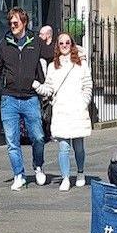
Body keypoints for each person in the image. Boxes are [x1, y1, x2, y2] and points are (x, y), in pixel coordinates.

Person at [0, 7, 48, 190]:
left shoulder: (35, 41)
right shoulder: (4, 44)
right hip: (9, 98)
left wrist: (76, 54)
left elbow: (53, 55)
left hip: (30, 97)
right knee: (12, 141)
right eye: (10, 23)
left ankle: (38, 166)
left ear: (24, 23)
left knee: (38, 137)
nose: (12, 26)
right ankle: (18, 175)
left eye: (16, 22)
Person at [38, 31, 93, 190]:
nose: (64, 46)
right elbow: (49, 88)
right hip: (61, 110)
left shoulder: (81, 64)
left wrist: (83, 102)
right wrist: (37, 87)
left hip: (76, 109)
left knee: (78, 146)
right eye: (61, 43)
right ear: (57, 46)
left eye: (67, 43)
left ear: (72, 44)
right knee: (63, 147)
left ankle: (80, 172)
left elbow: (87, 85)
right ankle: (65, 178)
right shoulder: (52, 66)